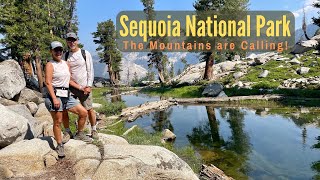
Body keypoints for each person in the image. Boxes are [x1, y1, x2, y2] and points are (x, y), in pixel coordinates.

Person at [44, 41, 90, 158]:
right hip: (55, 95)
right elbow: (48, 82)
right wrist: (54, 99)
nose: (58, 52)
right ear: (51, 51)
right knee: (58, 121)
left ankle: (79, 133)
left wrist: (81, 87)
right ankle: (60, 145)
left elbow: (69, 80)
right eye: (56, 50)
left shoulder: (66, 63)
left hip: (66, 94)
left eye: (60, 50)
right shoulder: (50, 64)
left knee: (83, 113)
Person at [62, 32, 98, 141]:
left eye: (73, 40)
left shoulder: (84, 53)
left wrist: (89, 85)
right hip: (71, 88)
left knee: (89, 109)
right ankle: (68, 132)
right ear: (67, 42)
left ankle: (94, 129)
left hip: (84, 87)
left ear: (77, 40)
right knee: (64, 109)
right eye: (69, 40)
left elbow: (90, 71)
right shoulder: (65, 55)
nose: (71, 42)